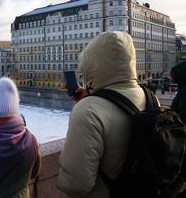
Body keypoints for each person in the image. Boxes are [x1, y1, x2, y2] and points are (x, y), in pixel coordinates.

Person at [57, 31, 147, 197]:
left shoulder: (87, 111)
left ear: (92, 65)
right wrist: (92, 98)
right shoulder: (148, 96)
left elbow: (75, 185)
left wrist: (89, 103)